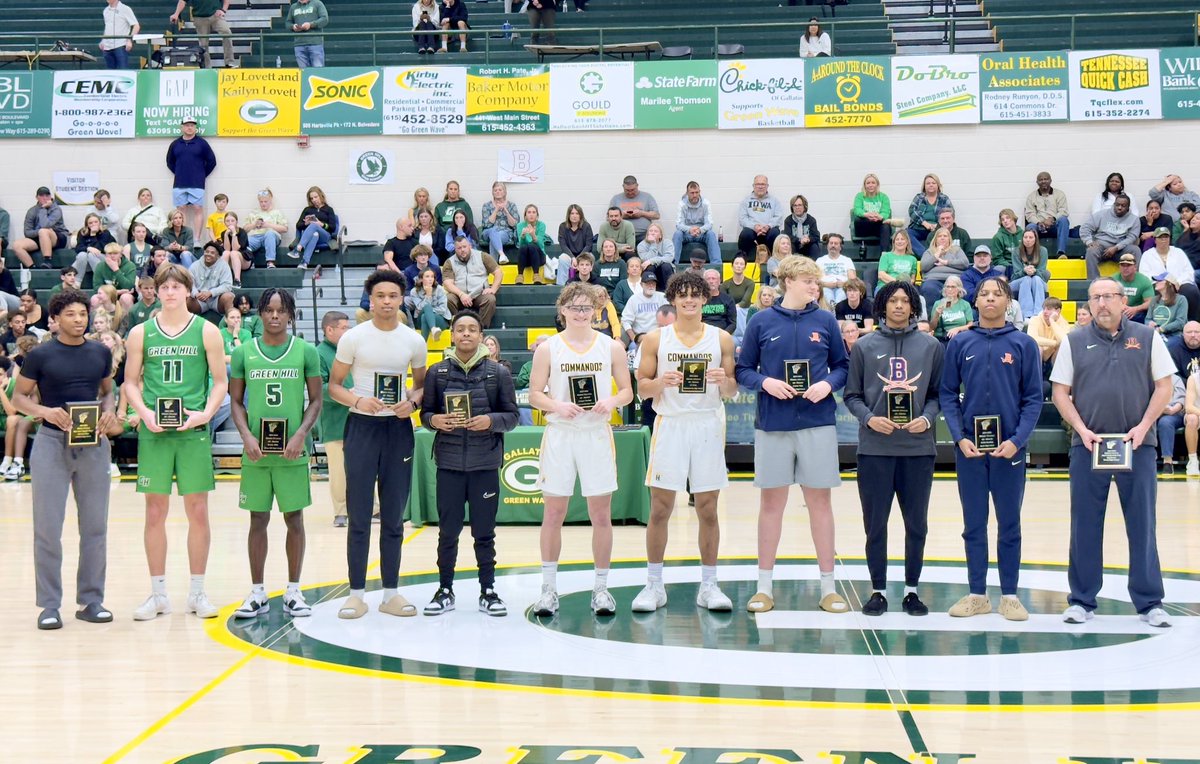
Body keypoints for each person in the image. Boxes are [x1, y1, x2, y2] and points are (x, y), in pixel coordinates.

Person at [1051, 278, 1176, 627]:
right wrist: (1081, 429)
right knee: (1085, 524)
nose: (1102, 303)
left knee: (1142, 524)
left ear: (1124, 301)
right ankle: (1082, 600)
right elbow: (1060, 392)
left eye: (1108, 296)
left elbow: (1165, 386)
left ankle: (1150, 601)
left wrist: (1143, 426)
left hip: (1138, 446)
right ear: (1088, 305)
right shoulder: (1074, 341)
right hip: (1088, 446)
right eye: (1095, 298)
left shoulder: (1148, 337)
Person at [735, 255, 850, 614]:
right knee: (771, 505)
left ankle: (829, 588)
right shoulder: (761, 321)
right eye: (807, 281)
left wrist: (827, 384)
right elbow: (743, 370)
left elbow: (843, 366)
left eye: (816, 282)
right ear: (787, 282)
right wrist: (765, 381)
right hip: (773, 424)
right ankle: (764, 587)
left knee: (820, 504)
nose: (814, 287)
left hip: (817, 422)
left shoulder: (826, 320)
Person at [123, 263, 228, 621]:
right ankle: (158, 594)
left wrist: (206, 414)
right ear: (156, 291)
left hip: (192, 432)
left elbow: (219, 383)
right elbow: (130, 383)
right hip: (154, 432)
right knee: (155, 512)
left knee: (198, 511)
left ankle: (197, 592)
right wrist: (144, 413)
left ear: (187, 290)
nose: (169, 292)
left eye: (175, 286)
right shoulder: (140, 332)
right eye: (163, 286)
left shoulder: (207, 331)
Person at [631, 269, 739, 612]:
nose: (690, 299)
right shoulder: (655, 340)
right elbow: (641, 389)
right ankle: (654, 585)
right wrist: (661, 381)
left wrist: (724, 381)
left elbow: (733, 390)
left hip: (707, 424)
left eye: (696, 294)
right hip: (671, 424)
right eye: (683, 294)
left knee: (708, 508)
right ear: (673, 299)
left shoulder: (721, 339)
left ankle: (709, 585)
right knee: (660, 508)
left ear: (705, 300)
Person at [939, 276, 1043, 621]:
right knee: (973, 525)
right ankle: (977, 594)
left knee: (1009, 524)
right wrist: (959, 436)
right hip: (969, 449)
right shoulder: (960, 342)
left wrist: (1017, 441)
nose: (989, 299)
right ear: (975, 301)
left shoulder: (1023, 344)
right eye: (983, 294)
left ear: (1008, 302)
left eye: (996, 294)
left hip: (1009, 450)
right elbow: (948, 395)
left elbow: (1033, 399)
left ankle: (1010, 595)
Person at [13, 290, 118, 630]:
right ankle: (49, 605)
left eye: (82, 313)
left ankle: (91, 600)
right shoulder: (40, 355)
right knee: (47, 529)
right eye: (71, 314)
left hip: (93, 443)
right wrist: (45, 411)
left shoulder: (100, 352)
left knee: (95, 528)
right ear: (55, 320)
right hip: (50, 444)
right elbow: (19, 397)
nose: (78, 319)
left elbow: (107, 391)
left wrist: (109, 412)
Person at [528, 283, 634, 616]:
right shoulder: (548, 348)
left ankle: (601, 589)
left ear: (596, 310)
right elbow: (534, 395)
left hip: (595, 434)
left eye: (585, 307)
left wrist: (611, 401)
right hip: (560, 434)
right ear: (562, 311)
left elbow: (628, 392)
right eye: (573, 307)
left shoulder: (611, 347)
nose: (580, 312)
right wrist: (557, 406)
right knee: (554, 513)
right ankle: (548, 589)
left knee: (601, 515)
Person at [328, 269, 428, 619]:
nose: (387, 301)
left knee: (394, 519)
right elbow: (335, 386)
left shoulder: (414, 340)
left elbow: (421, 386)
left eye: (393, 296)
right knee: (358, 514)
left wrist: (412, 404)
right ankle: (356, 593)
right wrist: (357, 401)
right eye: (380, 296)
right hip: (362, 429)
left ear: (401, 299)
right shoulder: (353, 338)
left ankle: (390, 593)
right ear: (370, 300)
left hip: (397, 431)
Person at [844, 280, 943, 616]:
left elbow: (936, 395)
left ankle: (912, 590)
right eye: (893, 300)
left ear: (913, 307)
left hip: (918, 449)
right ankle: (879, 590)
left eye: (905, 301)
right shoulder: (864, 346)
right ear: (882, 305)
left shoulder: (930, 347)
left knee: (917, 524)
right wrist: (870, 419)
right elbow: (851, 395)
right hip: (875, 449)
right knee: (876, 524)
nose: (899, 306)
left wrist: (927, 420)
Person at [228, 288, 322, 620]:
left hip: (292, 452)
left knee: (294, 519)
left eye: (281, 311)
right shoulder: (244, 353)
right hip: (256, 452)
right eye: (268, 310)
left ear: (291, 315)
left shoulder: (306, 351)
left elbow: (316, 401)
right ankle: (257, 593)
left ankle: (294, 590)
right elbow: (236, 402)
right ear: (260, 313)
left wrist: (300, 434)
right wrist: (246, 436)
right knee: (257, 519)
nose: (274, 316)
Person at [420, 310, 519, 615]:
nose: (465, 334)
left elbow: (512, 416)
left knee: (484, 532)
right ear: (451, 334)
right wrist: (435, 420)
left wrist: (489, 421)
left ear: (480, 335)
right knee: (447, 531)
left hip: (484, 465)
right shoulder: (437, 373)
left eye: (472, 329)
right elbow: (426, 415)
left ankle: (488, 590)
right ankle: (445, 588)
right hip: (449, 464)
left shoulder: (497, 373)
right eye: (460, 329)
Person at [316, 311, 352, 528]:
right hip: (334, 421)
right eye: (344, 328)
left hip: (358, 418)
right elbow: (318, 389)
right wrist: (348, 395)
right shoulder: (318, 354)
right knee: (339, 470)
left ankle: (373, 507)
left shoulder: (349, 351)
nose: (348, 331)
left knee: (362, 467)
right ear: (329, 329)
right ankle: (341, 511)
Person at [166, 116, 217, 237]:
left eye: (192, 125)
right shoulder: (175, 144)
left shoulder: (202, 143)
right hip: (179, 183)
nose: (190, 127)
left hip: (197, 183)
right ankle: (183, 238)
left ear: (195, 128)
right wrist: (180, 173)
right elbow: (169, 162)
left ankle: (196, 240)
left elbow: (212, 161)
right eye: (187, 125)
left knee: (197, 208)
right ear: (182, 127)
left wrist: (201, 175)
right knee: (181, 210)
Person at [1140, 227, 1200, 323]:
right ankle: (1159, 323)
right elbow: (1144, 275)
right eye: (1160, 237)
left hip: (1178, 284)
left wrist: (1178, 282)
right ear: (1155, 240)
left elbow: (1189, 272)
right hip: (1157, 285)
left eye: (1166, 237)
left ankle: (1193, 322)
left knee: (1191, 290)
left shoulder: (1178, 252)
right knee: (1153, 292)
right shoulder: (1147, 255)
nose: (1164, 240)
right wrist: (1164, 283)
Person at [444, 236, 503, 328]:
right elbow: (447, 283)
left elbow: (498, 272)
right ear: (455, 249)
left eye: (464, 247)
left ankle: (481, 329)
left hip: (479, 293)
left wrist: (493, 289)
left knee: (490, 299)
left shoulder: (483, 256)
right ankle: (457, 326)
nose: (462, 250)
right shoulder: (449, 262)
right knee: (448, 299)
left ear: (470, 246)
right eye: (459, 248)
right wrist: (461, 294)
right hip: (459, 295)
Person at [1080, 193, 1140, 282]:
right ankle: (1093, 282)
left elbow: (1132, 237)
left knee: (1135, 250)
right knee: (1091, 251)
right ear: (1114, 204)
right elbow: (1085, 228)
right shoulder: (1102, 214)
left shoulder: (1134, 219)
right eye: (1117, 205)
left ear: (1128, 207)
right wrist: (1089, 241)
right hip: (1101, 246)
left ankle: (1134, 280)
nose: (1119, 207)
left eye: (1123, 206)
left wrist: (1116, 247)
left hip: (1120, 249)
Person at [12, 187, 69, 269]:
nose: (45, 198)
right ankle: (32, 267)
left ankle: (47, 261)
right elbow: (27, 232)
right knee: (16, 245)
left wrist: (43, 209)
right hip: (40, 237)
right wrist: (38, 233)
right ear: (37, 197)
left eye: (47, 195)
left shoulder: (56, 209)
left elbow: (45, 225)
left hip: (58, 237)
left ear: (50, 197)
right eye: (42, 195)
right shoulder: (32, 211)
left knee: (44, 231)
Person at [169, 0, 236, 68]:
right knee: (203, 44)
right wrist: (176, 14)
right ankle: (207, 67)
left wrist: (223, 10)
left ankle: (229, 62)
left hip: (216, 15)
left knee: (227, 33)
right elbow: (183, 1)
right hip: (199, 17)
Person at [288, 186, 337, 271]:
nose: (314, 200)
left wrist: (321, 224)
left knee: (314, 225)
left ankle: (298, 248)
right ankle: (304, 262)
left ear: (321, 196)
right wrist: (305, 223)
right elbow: (298, 225)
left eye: (316, 197)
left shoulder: (329, 209)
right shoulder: (307, 210)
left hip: (325, 236)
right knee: (315, 234)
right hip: (311, 236)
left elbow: (333, 228)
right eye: (311, 198)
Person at [919, 226, 968, 308]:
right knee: (929, 288)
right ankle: (933, 318)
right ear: (935, 239)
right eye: (939, 236)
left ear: (949, 239)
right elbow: (924, 266)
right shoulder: (929, 251)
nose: (942, 238)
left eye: (945, 236)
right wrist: (936, 255)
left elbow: (965, 263)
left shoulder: (956, 250)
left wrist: (946, 262)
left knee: (964, 289)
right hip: (934, 280)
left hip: (954, 279)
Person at [673, 181, 720, 266]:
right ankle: (673, 265)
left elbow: (709, 223)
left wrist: (700, 230)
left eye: (696, 192)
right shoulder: (682, 204)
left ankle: (716, 265)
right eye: (692, 193)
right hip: (687, 234)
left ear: (699, 192)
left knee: (711, 234)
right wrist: (689, 229)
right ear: (687, 193)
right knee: (677, 234)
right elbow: (679, 224)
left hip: (701, 233)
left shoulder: (706, 203)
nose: (694, 195)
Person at [1024, 171, 1070, 257]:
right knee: (1030, 227)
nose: (1043, 181)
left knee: (1064, 220)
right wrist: (1039, 222)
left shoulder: (1059, 194)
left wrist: (1052, 219)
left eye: (1046, 179)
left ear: (1050, 181)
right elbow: (1029, 214)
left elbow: (1064, 211)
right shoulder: (1031, 196)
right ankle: (1032, 256)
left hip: (1054, 226)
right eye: (1041, 180)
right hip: (1039, 227)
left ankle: (1061, 253)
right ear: (1037, 182)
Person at [737, 175, 784, 256]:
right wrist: (754, 227)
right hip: (752, 232)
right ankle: (742, 260)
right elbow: (743, 219)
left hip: (768, 231)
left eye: (763, 184)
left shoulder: (774, 201)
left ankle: (774, 260)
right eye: (758, 184)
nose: (760, 187)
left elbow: (778, 217)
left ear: (767, 186)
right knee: (745, 234)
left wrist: (768, 226)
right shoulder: (746, 201)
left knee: (775, 232)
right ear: (753, 186)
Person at [1009, 229, 1050, 318]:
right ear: (1022, 239)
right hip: (1018, 280)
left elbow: (1042, 273)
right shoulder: (1016, 251)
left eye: (1031, 237)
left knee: (1036, 279)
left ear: (1035, 239)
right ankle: (1026, 315)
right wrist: (1025, 271)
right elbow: (1015, 274)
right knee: (1026, 279)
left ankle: (1038, 313)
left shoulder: (1043, 251)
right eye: (1025, 237)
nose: (1028, 240)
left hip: (1038, 279)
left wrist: (1034, 271)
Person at [620, 270, 668, 348]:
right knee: (633, 347)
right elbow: (625, 321)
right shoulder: (634, 299)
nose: (651, 285)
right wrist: (634, 338)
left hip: (659, 336)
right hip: (640, 337)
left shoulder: (663, 297)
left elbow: (669, 319)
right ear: (641, 285)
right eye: (648, 283)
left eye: (653, 283)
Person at [906, 174, 952, 256]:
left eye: (933, 183)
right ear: (924, 186)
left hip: (936, 229)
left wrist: (937, 225)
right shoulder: (919, 198)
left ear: (938, 185)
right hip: (918, 228)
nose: (931, 185)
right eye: (928, 183)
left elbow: (950, 213)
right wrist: (924, 223)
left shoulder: (944, 199)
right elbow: (911, 211)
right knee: (906, 233)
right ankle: (925, 255)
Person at [244, 189, 289, 270]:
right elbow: (245, 229)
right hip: (256, 237)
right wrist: (254, 224)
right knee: (246, 241)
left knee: (269, 233)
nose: (263, 204)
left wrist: (269, 225)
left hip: (271, 236)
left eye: (265, 201)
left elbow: (285, 229)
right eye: (261, 202)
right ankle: (249, 262)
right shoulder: (253, 212)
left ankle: (270, 262)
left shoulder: (276, 212)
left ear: (270, 200)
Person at [1026, 296, 1071, 376]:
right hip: (1038, 355)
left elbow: (1064, 341)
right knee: (1038, 348)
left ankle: (1058, 380)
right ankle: (1036, 379)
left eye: (1049, 309)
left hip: (1052, 358)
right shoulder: (1035, 319)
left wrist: (1052, 321)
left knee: (1062, 348)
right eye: (1044, 309)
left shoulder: (1063, 323)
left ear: (1058, 311)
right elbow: (1032, 339)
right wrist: (1054, 343)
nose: (1045, 312)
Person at [188, 242, 235, 316]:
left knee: (229, 296)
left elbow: (227, 285)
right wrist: (196, 294)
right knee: (185, 298)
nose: (208, 254)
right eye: (207, 252)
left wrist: (210, 293)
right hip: (199, 299)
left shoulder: (224, 266)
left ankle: (230, 325)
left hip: (216, 299)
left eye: (212, 253)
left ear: (218, 256)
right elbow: (189, 284)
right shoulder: (194, 266)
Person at [609, 175, 660, 244]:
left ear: (637, 185)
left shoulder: (647, 197)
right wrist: (622, 215)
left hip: (644, 235)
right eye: (627, 190)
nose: (630, 192)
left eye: (633, 190)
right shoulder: (616, 199)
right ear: (623, 187)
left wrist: (641, 213)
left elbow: (657, 215)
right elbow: (608, 218)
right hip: (622, 235)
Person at [405, 267, 451, 340]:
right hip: (419, 320)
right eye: (427, 276)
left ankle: (423, 346)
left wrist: (429, 313)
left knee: (425, 316)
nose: (430, 279)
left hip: (440, 319)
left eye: (432, 277)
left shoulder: (439, 289)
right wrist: (428, 295)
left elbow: (442, 309)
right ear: (421, 279)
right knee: (426, 308)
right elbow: (420, 308)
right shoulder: (414, 291)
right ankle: (433, 329)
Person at [851, 173, 893, 249]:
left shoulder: (884, 197)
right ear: (864, 185)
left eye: (873, 183)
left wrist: (880, 216)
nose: (870, 185)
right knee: (857, 220)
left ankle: (884, 255)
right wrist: (866, 215)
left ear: (877, 184)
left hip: (878, 225)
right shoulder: (859, 196)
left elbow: (886, 212)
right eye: (868, 183)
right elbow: (857, 210)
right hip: (864, 226)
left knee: (886, 226)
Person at [480, 181, 519, 264]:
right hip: (488, 231)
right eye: (495, 190)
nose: (498, 192)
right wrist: (496, 209)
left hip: (505, 232)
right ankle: (501, 254)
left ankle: (493, 266)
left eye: (500, 190)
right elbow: (487, 224)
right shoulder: (486, 205)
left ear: (505, 192)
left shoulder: (511, 205)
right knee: (493, 231)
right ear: (493, 193)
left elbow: (514, 224)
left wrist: (506, 211)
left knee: (493, 239)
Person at [91, 244, 138, 311]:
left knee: (126, 298)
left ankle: (127, 321)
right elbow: (97, 288)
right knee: (95, 299)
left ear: (121, 254)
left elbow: (129, 287)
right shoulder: (100, 266)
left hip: (124, 295)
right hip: (107, 295)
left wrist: (116, 269)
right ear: (105, 255)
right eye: (109, 253)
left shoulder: (130, 266)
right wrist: (117, 292)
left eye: (115, 253)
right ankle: (98, 320)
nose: (112, 256)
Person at [71, 213, 118, 279]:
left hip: (104, 260)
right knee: (82, 255)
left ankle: (101, 279)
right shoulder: (82, 232)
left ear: (99, 222)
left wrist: (93, 234)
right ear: (87, 225)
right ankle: (77, 282)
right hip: (86, 262)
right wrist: (88, 248)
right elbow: (78, 248)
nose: (94, 224)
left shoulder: (105, 232)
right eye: (90, 223)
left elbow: (99, 249)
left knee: (91, 255)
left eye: (96, 222)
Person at [556, 204, 593, 286]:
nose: (574, 216)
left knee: (591, 257)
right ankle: (562, 286)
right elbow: (563, 245)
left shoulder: (586, 226)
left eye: (577, 213)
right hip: (569, 255)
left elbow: (588, 245)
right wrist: (573, 258)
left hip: (584, 254)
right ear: (568, 215)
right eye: (572, 213)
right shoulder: (562, 226)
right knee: (562, 258)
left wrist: (579, 258)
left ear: (581, 215)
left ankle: (590, 284)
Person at [1111, 252, 1154, 323]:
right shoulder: (1112, 280)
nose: (1125, 268)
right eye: (1122, 265)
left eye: (1128, 265)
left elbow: (1150, 302)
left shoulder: (1144, 280)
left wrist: (1135, 309)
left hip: (1137, 314)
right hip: (1117, 312)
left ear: (1135, 267)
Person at [1158, 374, 1186, 475]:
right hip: (1152, 413)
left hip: (1174, 413)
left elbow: (1181, 400)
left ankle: (1167, 462)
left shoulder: (1175, 379)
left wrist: (1173, 409)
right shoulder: (1147, 378)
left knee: (1165, 422)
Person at [929, 275, 972, 342]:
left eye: (953, 287)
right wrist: (937, 314)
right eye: (947, 287)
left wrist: (957, 329)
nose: (950, 289)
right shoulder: (938, 303)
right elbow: (932, 328)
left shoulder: (965, 304)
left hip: (961, 337)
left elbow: (970, 325)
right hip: (943, 338)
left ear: (959, 289)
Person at [287, 0, 329, 67]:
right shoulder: (293, 7)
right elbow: (288, 23)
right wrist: (293, 26)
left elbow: (325, 19)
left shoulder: (317, 3)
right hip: (299, 44)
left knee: (318, 70)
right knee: (303, 72)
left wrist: (311, 25)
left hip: (315, 43)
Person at [876, 229, 919, 294]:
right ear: (893, 242)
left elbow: (912, 279)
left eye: (902, 239)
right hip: (885, 286)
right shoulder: (886, 256)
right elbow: (881, 275)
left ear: (907, 242)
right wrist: (898, 283)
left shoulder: (913, 259)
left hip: (905, 289)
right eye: (897, 239)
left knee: (920, 299)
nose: (900, 241)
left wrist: (905, 285)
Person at [100, 0, 140, 69]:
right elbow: (107, 27)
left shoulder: (125, 9)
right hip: (107, 47)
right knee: (110, 73)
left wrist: (129, 40)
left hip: (120, 45)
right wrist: (103, 40)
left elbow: (136, 26)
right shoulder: (105, 11)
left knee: (123, 71)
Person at [782, 195, 821, 259]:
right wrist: (800, 240)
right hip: (795, 245)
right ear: (792, 207)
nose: (797, 207)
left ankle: (813, 267)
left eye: (800, 205)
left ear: (804, 206)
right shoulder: (788, 220)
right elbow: (787, 236)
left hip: (807, 246)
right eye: (795, 205)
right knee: (789, 245)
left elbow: (816, 236)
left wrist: (808, 239)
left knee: (814, 247)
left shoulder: (811, 220)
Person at [636, 223, 675, 288]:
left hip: (665, 271)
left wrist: (652, 261)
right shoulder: (641, 245)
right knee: (650, 266)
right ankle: (649, 289)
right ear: (647, 234)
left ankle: (669, 291)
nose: (653, 233)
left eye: (656, 231)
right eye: (651, 231)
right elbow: (645, 259)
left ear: (660, 235)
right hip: (650, 271)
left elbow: (669, 258)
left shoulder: (668, 243)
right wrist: (653, 244)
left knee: (666, 266)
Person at [515, 204, 547, 285]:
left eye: (534, 212)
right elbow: (521, 244)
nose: (531, 214)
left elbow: (540, 244)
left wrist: (533, 235)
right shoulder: (520, 226)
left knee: (532, 246)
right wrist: (522, 236)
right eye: (529, 212)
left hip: (539, 257)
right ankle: (520, 275)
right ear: (525, 215)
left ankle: (536, 275)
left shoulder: (541, 225)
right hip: (525, 258)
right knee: (524, 247)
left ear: (537, 215)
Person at [701, 269, 737, 335]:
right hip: (703, 334)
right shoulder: (699, 299)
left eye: (713, 278)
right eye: (708, 279)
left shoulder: (728, 299)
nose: (711, 281)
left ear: (719, 281)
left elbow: (733, 323)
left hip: (722, 334)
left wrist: (723, 335)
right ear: (704, 282)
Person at [989, 208, 1023, 276]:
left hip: (1022, 264)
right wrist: (1011, 267)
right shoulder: (997, 237)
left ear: (1013, 218)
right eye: (1002, 219)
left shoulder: (1023, 234)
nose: (1005, 221)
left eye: (1007, 218)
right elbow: (997, 259)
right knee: (998, 269)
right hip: (1006, 265)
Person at [1186, 373, 1200, 476]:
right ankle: (1193, 460)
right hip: (1196, 413)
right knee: (1191, 419)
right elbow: (1189, 407)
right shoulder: (1193, 379)